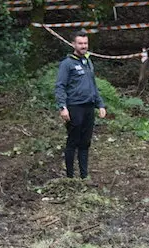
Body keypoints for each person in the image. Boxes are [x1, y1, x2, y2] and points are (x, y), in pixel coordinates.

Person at [54, 30, 107, 180]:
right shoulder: (67, 64)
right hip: (74, 107)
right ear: (73, 44)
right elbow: (60, 86)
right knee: (73, 142)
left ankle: (84, 176)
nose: (83, 46)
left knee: (85, 143)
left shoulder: (88, 62)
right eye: (80, 43)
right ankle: (70, 177)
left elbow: (93, 86)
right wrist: (62, 107)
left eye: (85, 43)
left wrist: (100, 104)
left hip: (89, 107)